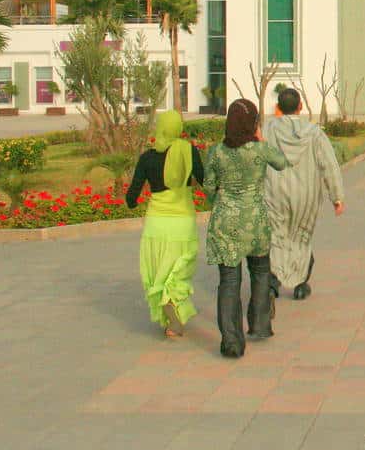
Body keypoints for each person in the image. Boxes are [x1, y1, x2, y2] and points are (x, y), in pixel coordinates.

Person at [203, 99, 290, 359]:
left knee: (229, 281)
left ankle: (231, 340)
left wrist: (219, 202)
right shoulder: (259, 150)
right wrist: (261, 140)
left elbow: (208, 187)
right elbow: (282, 163)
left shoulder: (217, 151)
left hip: (226, 223)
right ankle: (261, 324)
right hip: (255, 222)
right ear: (253, 124)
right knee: (261, 273)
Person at [125, 110, 205, 339]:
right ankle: (172, 301)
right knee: (181, 266)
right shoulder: (188, 151)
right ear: (178, 128)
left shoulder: (147, 158)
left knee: (159, 270)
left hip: (157, 224)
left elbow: (131, 199)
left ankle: (168, 314)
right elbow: (204, 179)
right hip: (182, 221)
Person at [264, 88, 346, 302]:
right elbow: (329, 164)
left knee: (276, 237)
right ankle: (300, 284)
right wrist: (337, 197)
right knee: (301, 237)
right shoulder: (314, 132)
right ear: (300, 106)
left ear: (278, 108)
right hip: (306, 196)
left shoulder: (268, 129)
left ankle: (273, 282)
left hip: (275, 193)